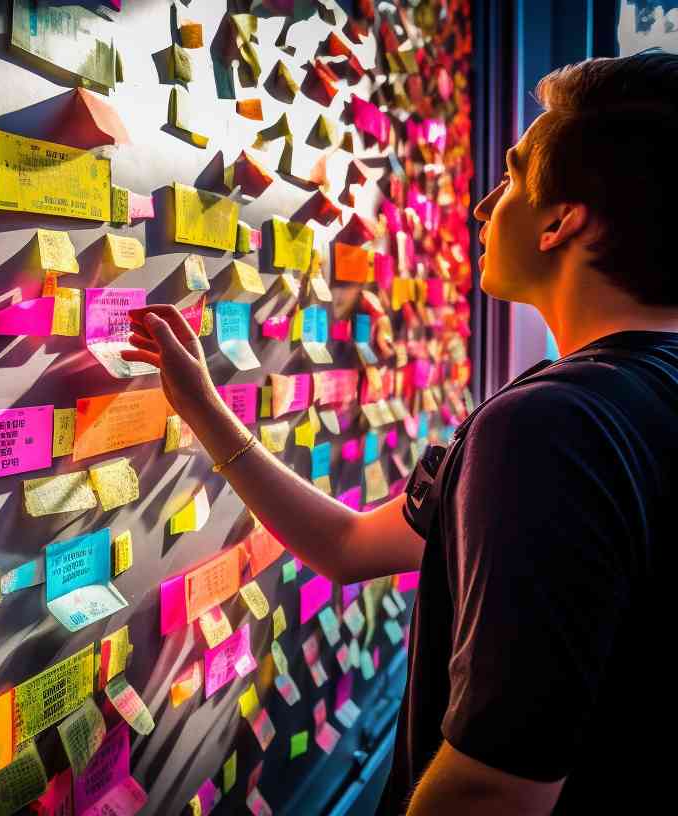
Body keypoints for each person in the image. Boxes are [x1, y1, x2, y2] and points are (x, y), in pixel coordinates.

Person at [121, 50, 678, 815]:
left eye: (512, 175)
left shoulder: (550, 430)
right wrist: (206, 410)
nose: (485, 206)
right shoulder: (630, 398)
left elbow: (489, 794)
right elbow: (347, 548)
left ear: (560, 221)